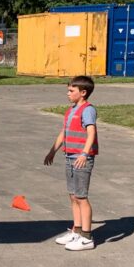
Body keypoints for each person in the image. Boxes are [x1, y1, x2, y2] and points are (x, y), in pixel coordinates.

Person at [44, 75, 98, 251]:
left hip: (81, 158)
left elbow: (91, 133)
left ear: (83, 93)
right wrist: (53, 151)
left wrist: (84, 153)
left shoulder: (87, 110)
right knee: (73, 195)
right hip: (69, 156)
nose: (67, 93)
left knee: (81, 197)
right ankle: (77, 230)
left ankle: (87, 237)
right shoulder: (70, 110)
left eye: (71, 91)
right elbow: (64, 132)